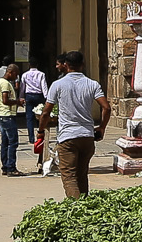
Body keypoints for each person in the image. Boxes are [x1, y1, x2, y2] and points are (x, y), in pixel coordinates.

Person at [42, 51, 110, 198]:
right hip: (87, 135)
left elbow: (46, 111)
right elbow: (106, 107)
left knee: (69, 176)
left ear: (65, 65)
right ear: (82, 65)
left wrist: (41, 130)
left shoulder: (58, 85)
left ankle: (77, 209)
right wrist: (102, 128)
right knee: (82, 174)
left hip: (68, 136)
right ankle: (85, 204)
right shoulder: (92, 84)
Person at [0, 63, 24, 176]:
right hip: (7, 115)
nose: (16, 77)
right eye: (16, 75)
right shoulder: (5, 84)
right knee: (13, 142)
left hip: (3, 115)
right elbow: (5, 100)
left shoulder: (1, 82)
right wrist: (17, 102)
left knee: (5, 142)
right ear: (10, 72)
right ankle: (11, 167)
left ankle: (5, 166)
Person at [19, 59, 48, 143]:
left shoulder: (25, 75)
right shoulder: (41, 74)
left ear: (29, 65)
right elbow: (44, 86)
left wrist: (21, 97)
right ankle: (40, 134)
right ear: (37, 65)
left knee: (29, 117)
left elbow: (22, 87)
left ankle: (31, 138)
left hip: (29, 95)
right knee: (40, 116)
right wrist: (46, 97)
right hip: (39, 95)